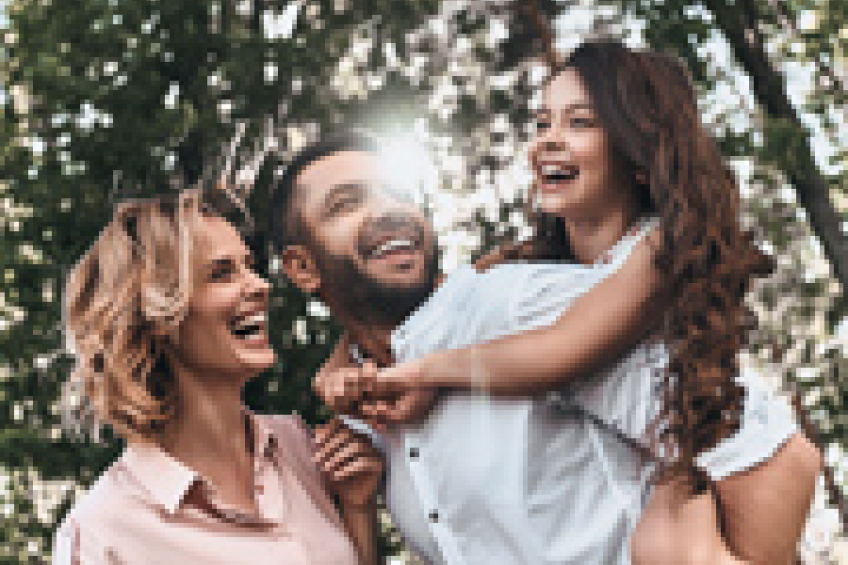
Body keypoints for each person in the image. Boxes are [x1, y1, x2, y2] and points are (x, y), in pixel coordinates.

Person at [270, 109, 817, 565]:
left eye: (398, 192)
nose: (388, 211)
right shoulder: (359, 417)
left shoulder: (514, 305)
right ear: (301, 268)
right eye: (347, 204)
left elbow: (767, 451)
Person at [53, 187, 383, 564]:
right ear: (156, 312)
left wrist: (358, 508)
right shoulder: (101, 533)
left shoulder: (304, 449)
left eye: (250, 267)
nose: (260, 285)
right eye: (221, 273)